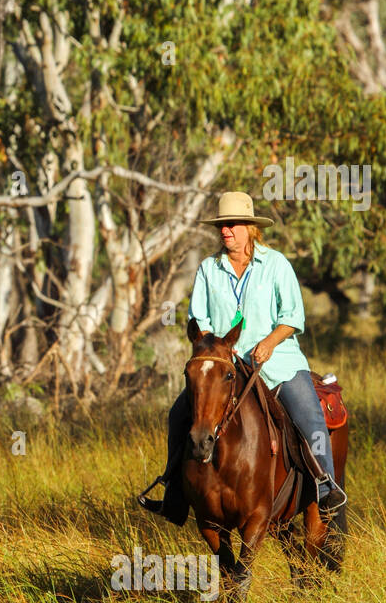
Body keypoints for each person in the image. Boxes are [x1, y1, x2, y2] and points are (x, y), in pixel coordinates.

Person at [140, 191, 347, 525]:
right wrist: (216, 348)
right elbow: (199, 321)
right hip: (225, 368)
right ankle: (174, 494)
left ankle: (325, 487)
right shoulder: (209, 269)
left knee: (309, 415)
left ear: (251, 227)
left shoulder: (276, 264)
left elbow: (293, 317)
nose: (225, 231)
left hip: (277, 364)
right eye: (222, 226)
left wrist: (269, 341)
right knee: (179, 414)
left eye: (232, 225)